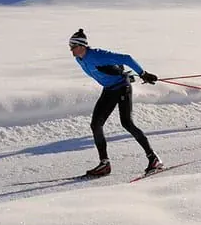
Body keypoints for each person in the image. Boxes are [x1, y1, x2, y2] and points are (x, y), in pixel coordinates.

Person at [69, 29, 163, 177]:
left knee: (127, 123)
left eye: (73, 46)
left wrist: (142, 74)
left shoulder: (97, 55)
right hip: (109, 89)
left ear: (82, 46)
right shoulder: (79, 59)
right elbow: (109, 69)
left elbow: (126, 58)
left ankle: (154, 159)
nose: (71, 50)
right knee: (96, 124)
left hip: (122, 88)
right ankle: (104, 164)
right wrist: (119, 71)